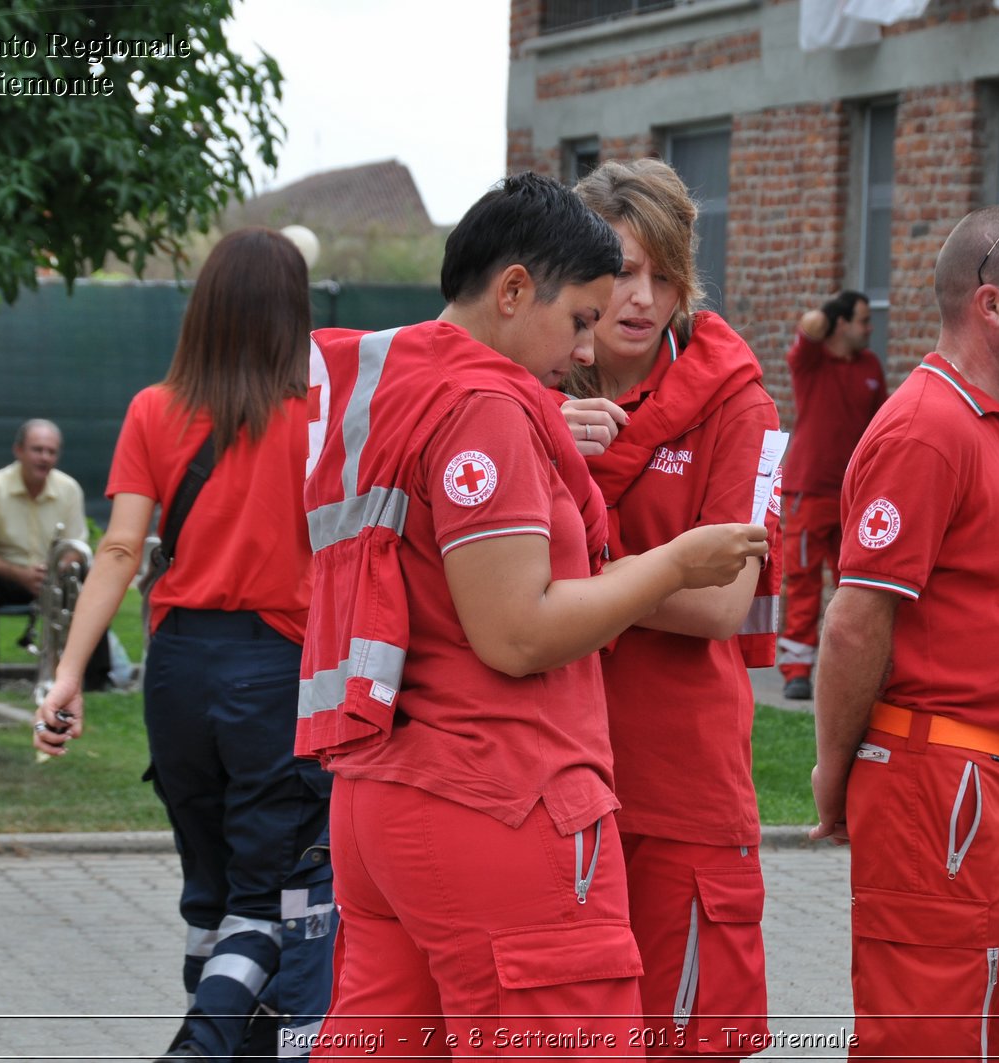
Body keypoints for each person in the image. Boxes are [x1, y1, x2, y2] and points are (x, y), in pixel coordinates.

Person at [298, 172, 768, 1057]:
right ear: (514, 289)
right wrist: (670, 561)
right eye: (583, 315)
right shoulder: (489, 404)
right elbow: (517, 630)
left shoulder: (389, 383)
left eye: (656, 281)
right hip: (502, 792)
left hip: (384, 789)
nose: (590, 341)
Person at [33, 227, 332, 1062]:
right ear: (293, 311)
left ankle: (223, 1041)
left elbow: (121, 552)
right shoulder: (323, 416)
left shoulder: (154, 409)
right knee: (268, 899)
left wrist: (68, 675)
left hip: (179, 672)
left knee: (209, 892)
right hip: (278, 673)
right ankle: (202, 1046)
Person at [809, 202, 999, 1059]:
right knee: (926, 1034)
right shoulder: (930, 429)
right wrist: (832, 770)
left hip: (982, 785)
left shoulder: (982, 422)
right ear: (991, 306)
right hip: (943, 787)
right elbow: (856, 622)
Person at [560, 157, 780, 1056]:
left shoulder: (744, 406)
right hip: (553, 777)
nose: (641, 297)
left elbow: (725, 601)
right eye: (620, 272)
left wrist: (568, 572)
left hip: (679, 785)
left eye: (663, 272)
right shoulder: (524, 392)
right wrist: (545, 438)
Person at [776, 292, 887, 701]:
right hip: (808, 490)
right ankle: (797, 671)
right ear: (841, 324)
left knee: (854, 586)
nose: (870, 329)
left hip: (855, 495)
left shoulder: (871, 367)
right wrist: (828, 311)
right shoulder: (811, 360)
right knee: (804, 581)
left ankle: (848, 672)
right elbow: (808, 326)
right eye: (862, 320)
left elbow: (881, 425)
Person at [0, 419, 108, 689]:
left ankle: (98, 677)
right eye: (37, 450)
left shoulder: (69, 489)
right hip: (7, 575)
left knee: (90, 582)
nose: (44, 457)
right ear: (19, 451)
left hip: (55, 577)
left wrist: (55, 571)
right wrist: (19, 574)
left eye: (51, 452)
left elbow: (78, 547)